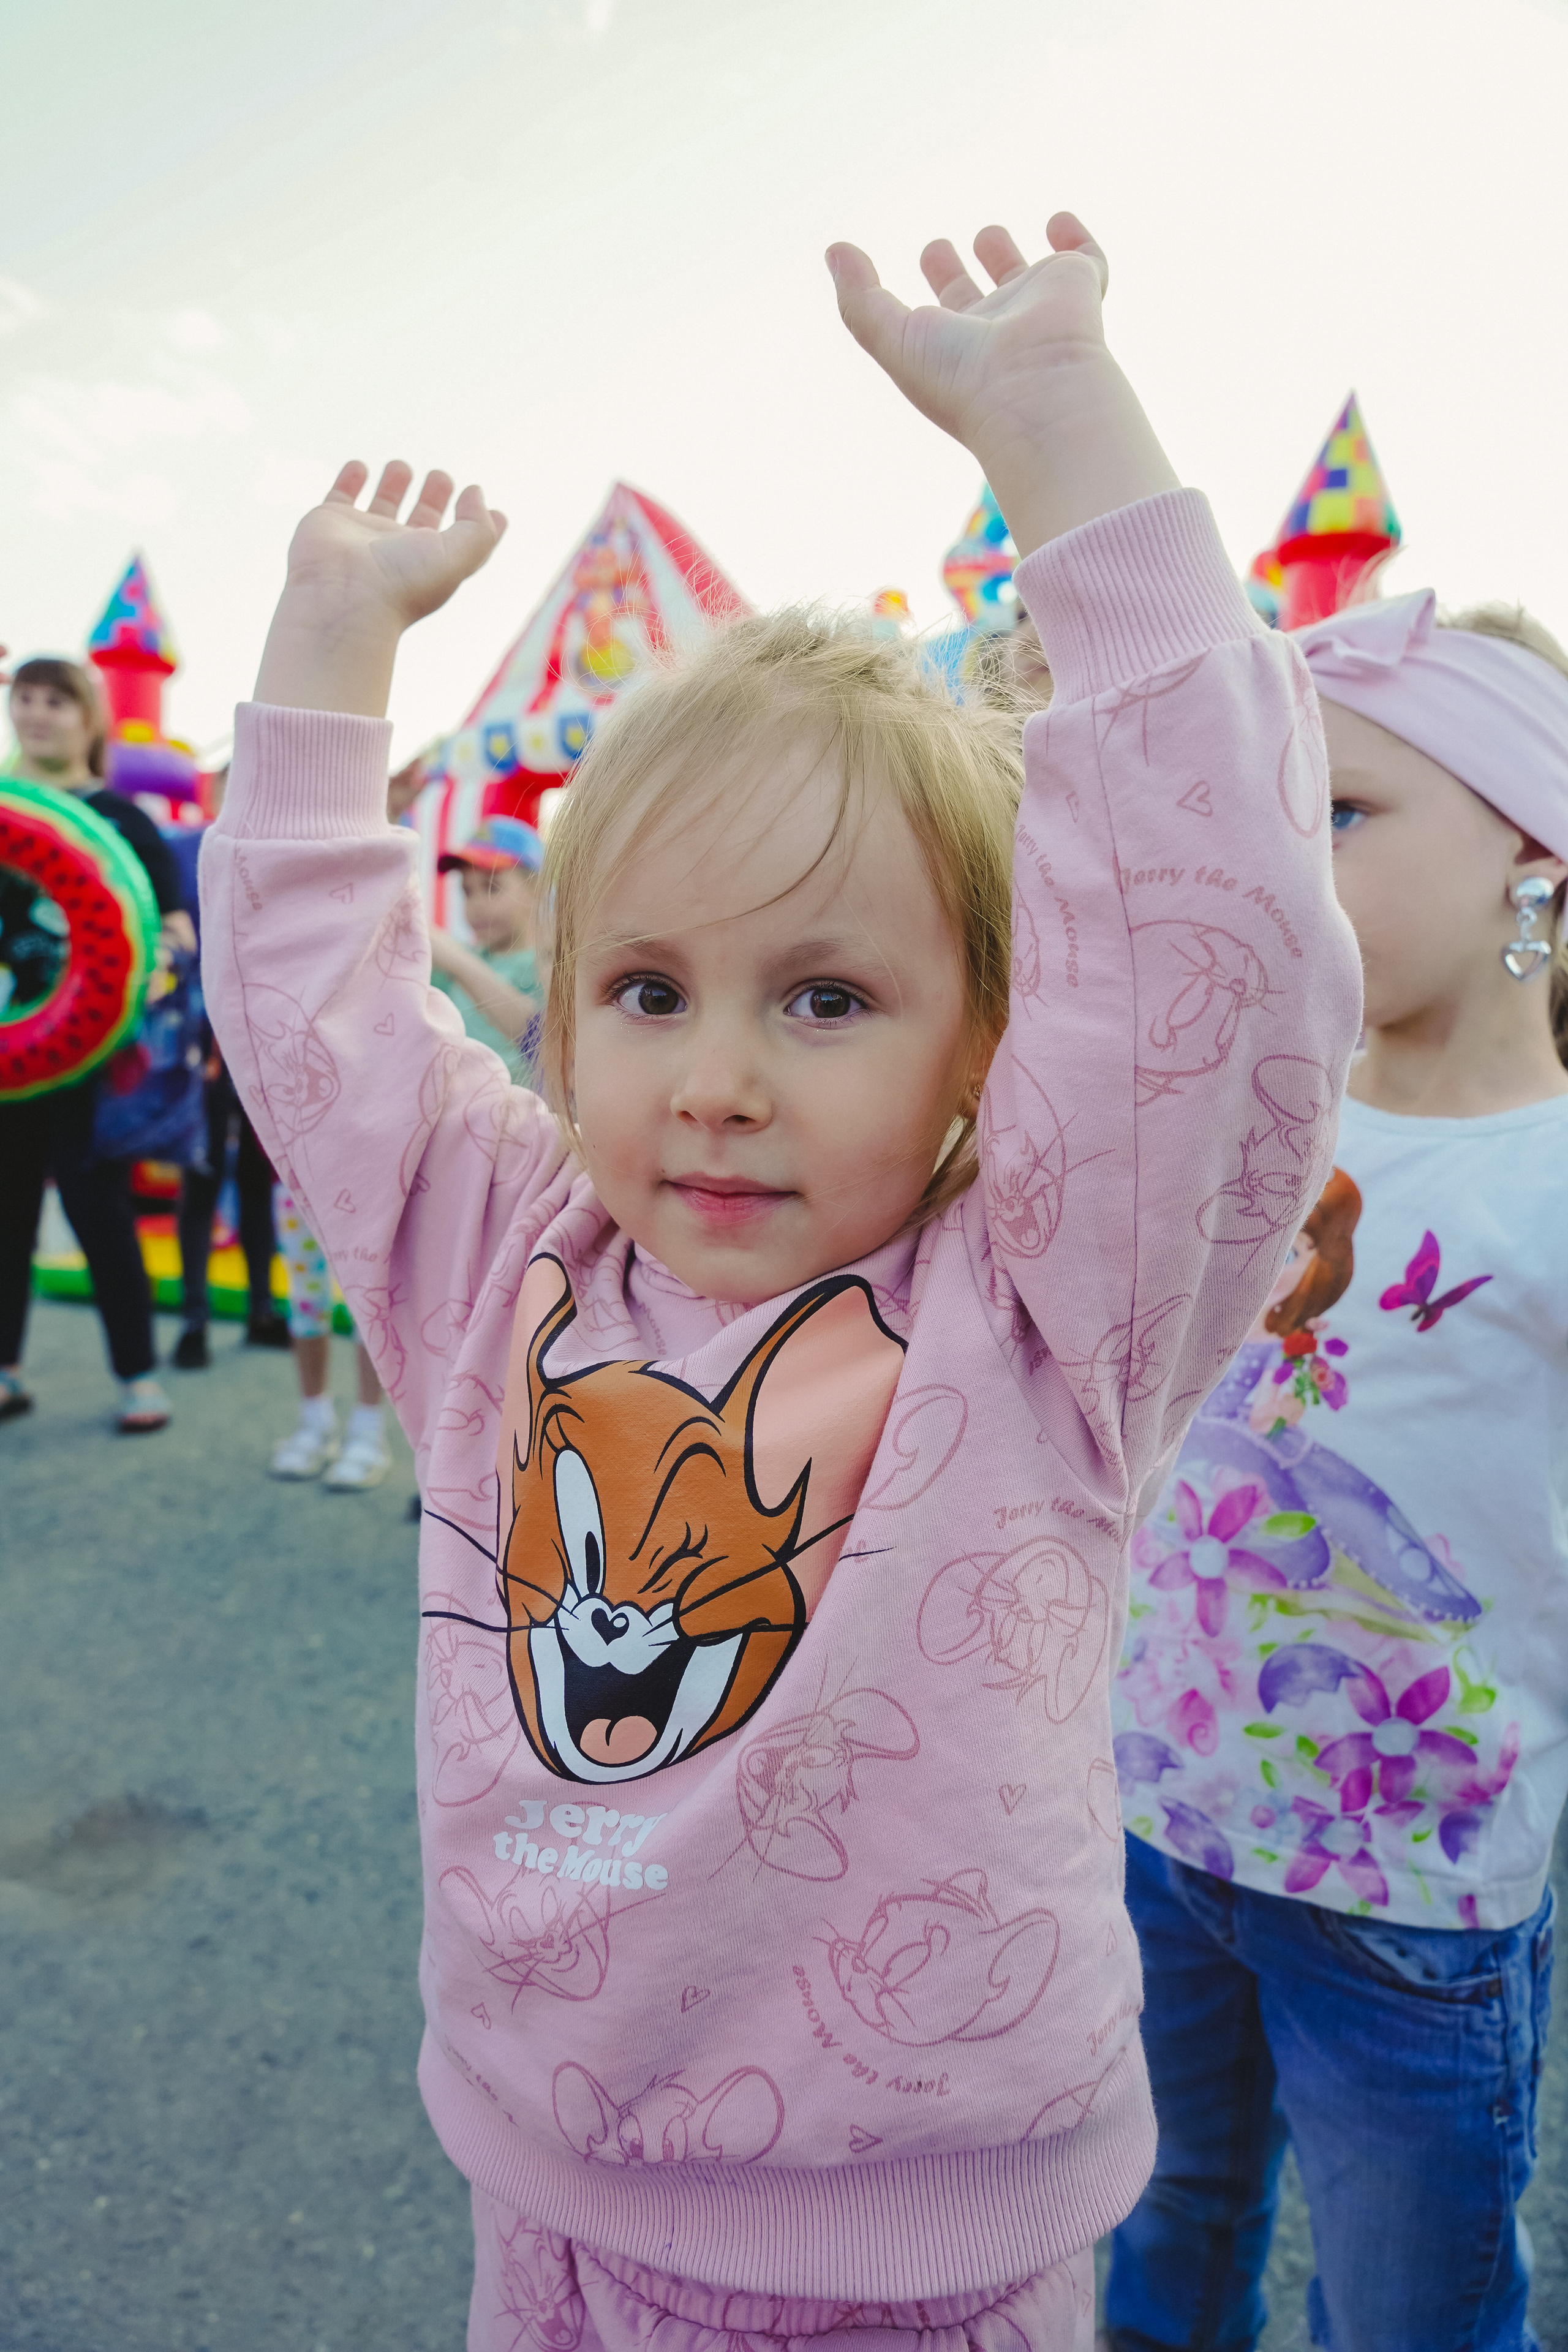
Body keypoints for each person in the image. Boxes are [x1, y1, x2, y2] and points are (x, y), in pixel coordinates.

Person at [200, 215, 1361, 2352]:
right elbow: (316, 1030)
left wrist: (1064, 441)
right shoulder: (504, 1255)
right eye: (648, 989)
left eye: (826, 997)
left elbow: (1214, 953)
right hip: (539, 2185)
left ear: (992, 1042)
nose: (717, 1080)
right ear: (562, 1012)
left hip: (910, 2259)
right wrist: (325, 655)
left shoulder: (1051, 1308)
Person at [1106, 593, 1568, 2352]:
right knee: (1161, 2235)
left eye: (1345, 812)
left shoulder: (1548, 1180)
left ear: (1531, 847)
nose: (1288, 861)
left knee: (1409, 2313)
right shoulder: (1241, 1115)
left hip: (1408, 1901)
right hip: (1159, 1822)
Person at [0, 654, 189, 1430]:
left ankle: (138, 1376)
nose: (37, 713)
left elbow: (177, 926)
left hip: (92, 1053)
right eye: (26, 698)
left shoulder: (119, 817)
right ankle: (6, 1369)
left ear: (89, 717)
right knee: (6, 1212)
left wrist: (159, 967)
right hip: (8, 1053)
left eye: (57, 701)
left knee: (99, 1209)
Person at [268, 1186, 391, 1491]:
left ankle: (368, 1431)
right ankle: (315, 1422)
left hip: (369, 1179)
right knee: (305, 1297)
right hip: (296, 1176)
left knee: (369, 1298)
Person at [430, 813, 544, 1080]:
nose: (477, 905)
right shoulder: (459, 961)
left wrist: (458, 963)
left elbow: (542, 1038)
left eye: (492, 887)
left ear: (536, 889)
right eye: (467, 892)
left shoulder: (547, 967)